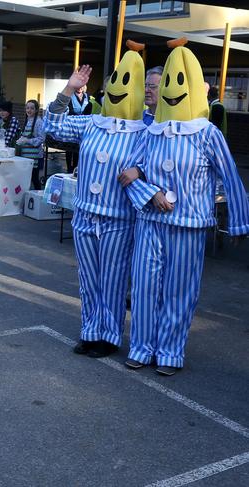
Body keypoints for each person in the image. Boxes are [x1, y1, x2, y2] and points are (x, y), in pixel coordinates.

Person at [120, 42, 249, 376]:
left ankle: (170, 351)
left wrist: (238, 223)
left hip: (189, 225)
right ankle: (142, 346)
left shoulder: (207, 134)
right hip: (151, 222)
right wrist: (151, 192)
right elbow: (128, 174)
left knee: (180, 291)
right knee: (145, 286)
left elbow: (231, 178)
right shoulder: (152, 132)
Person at [44, 48, 154, 359]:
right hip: (84, 216)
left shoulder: (145, 131)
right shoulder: (91, 123)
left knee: (113, 280)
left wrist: (140, 170)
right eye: (113, 83)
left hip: (118, 219)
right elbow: (51, 127)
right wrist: (68, 88)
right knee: (88, 278)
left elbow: (159, 162)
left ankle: (108, 335)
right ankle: (90, 331)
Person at [16, 99, 45, 190]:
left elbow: (41, 139)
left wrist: (27, 141)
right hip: (25, 156)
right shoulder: (27, 121)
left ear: (36, 110)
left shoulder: (39, 122)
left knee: (34, 179)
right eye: (27, 108)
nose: (29, 110)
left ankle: (37, 198)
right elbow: (24, 137)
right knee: (26, 179)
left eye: (32, 108)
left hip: (35, 157)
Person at [65, 84, 92, 173]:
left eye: (82, 86)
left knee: (78, 149)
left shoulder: (87, 97)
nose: (80, 87)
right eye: (78, 85)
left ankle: (76, 168)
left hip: (83, 127)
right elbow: (69, 111)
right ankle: (69, 168)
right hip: (72, 126)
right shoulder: (70, 97)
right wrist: (81, 116)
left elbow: (90, 109)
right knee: (69, 149)